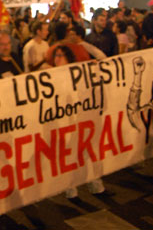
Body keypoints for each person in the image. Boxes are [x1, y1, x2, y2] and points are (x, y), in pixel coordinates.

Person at [50, 46, 106, 199]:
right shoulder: (49, 76)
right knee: (69, 156)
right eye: (56, 55)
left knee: (87, 151)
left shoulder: (78, 73)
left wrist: (93, 68)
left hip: (80, 119)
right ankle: (71, 187)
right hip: (63, 122)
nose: (57, 59)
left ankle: (94, 182)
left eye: (61, 55)